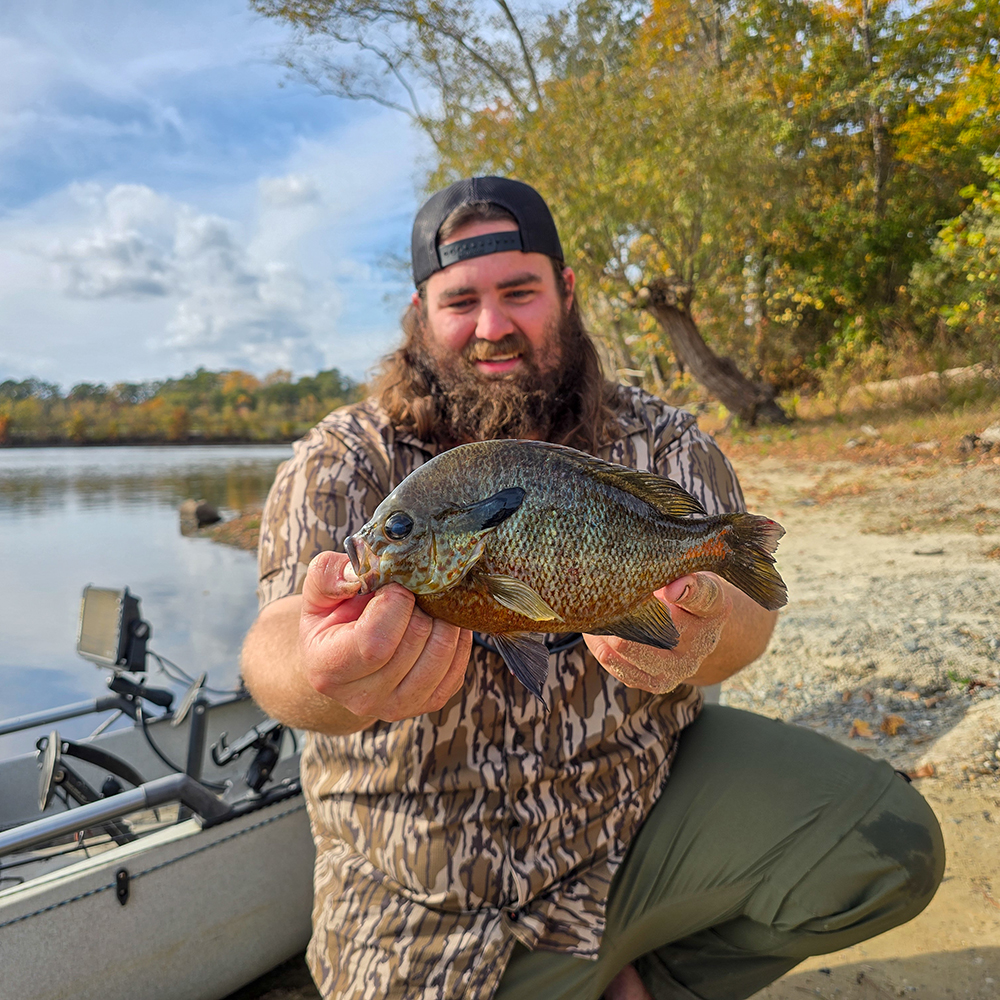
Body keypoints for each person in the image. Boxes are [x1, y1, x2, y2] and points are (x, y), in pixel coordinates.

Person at [240, 177, 944, 1000]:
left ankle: (651, 972)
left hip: (633, 828)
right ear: (420, 311)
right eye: (461, 299)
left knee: (887, 845)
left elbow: (748, 622)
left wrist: (702, 633)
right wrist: (325, 671)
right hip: (422, 890)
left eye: (519, 291)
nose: (492, 325)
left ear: (566, 292)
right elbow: (276, 643)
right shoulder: (343, 461)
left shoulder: (665, 439)